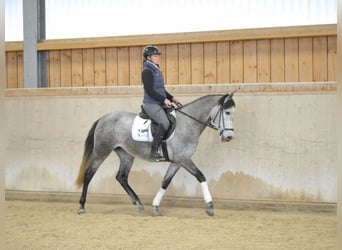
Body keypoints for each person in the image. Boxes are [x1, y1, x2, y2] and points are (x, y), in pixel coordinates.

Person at [141, 45, 180, 161]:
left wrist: (172, 98)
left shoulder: (156, 70)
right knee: (164, 122)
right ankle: (154, 150)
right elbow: (149, 90)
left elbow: (161, 90)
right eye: (155, 56)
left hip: (159, 102)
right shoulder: (147, 71)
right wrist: (163, 100)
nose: (158, 58)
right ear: (148, 58)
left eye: (158, 56)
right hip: (151, 103)